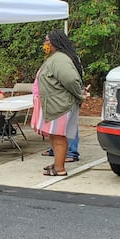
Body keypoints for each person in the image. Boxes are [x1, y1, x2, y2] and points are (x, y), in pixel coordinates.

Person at [31, 29, 84, 176]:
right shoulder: (55, 58)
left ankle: (60, 168)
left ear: (54, 42)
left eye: (46, 40)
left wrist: (79, 94)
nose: (44, 43)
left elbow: (71, 80)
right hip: (54, 105)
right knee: (54, 135)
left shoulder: (60, 59)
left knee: (59, 136)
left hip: (60, 105)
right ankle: (57, 163)